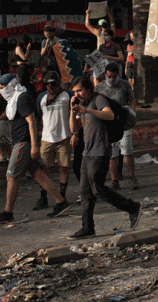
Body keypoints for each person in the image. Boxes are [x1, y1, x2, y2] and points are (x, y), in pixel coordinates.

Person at [0, 75, 70, 223]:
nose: (0, 91)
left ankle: (8, 212)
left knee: (11, 176)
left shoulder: (21, 98)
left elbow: (31, 121)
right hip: (20, 141)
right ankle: (61, 202)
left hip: (23, 142)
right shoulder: (14, 99)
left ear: (10, 87)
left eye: (2, 88)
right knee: (38, 174)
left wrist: (33, 145)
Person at [68, 77, 141, 237]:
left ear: (88, 89)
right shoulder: (82, 104)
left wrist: (87, 111)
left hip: (100, 151)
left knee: (98, 189)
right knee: (85, 192)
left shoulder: (98, 99)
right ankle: (88, 227)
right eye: (74, 92)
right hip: (87, 152)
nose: (77, 94)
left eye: (79, 90)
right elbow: (74, 128)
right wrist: (73, 110)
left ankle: (132, 207)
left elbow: (109, 115)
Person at [34, 71, 73, 210]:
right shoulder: (41, 97)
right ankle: (43, 197)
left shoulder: (67, 95)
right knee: (44, 168)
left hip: (64, 136)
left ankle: (62, 196)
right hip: (47, 138)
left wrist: (75, 134)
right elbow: (37, 117)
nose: (50, 87)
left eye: (53, 84)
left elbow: (75, 114)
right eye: (47, 84)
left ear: (58, 83)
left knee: (64, 167)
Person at [96, 62, 137, 190]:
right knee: (112, 154)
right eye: (109, 77)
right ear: (105, 75)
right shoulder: (99, 87)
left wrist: (132, 114)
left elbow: (132, 100)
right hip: (109, 125)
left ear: (118, 75)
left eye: (114, 77)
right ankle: (114, 180)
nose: (112, 79)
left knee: (127, 151)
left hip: (123, 122)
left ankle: (132, 177)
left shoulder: (124, 84)